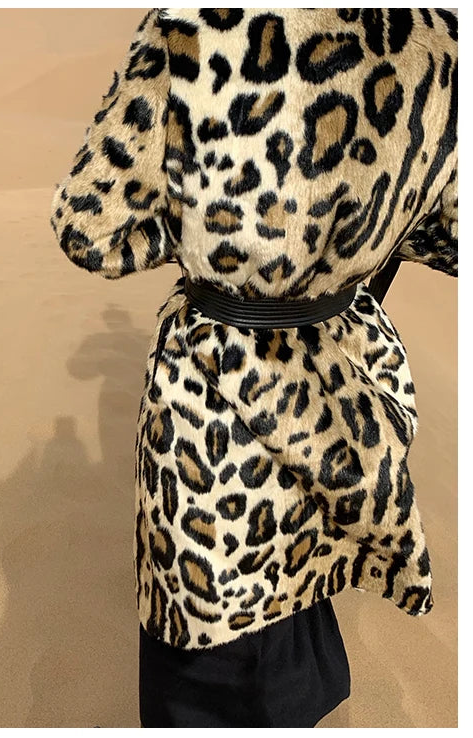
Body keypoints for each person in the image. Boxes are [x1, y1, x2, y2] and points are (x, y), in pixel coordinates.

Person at [49, 7, 457, 728]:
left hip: (216, 403)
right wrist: (346, 246)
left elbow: (92, 228)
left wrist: (215, 233)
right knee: (298, 593)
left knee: (209, 653)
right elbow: (451, 236)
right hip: (345, 384)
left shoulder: (197, 22)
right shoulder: (442, 40)